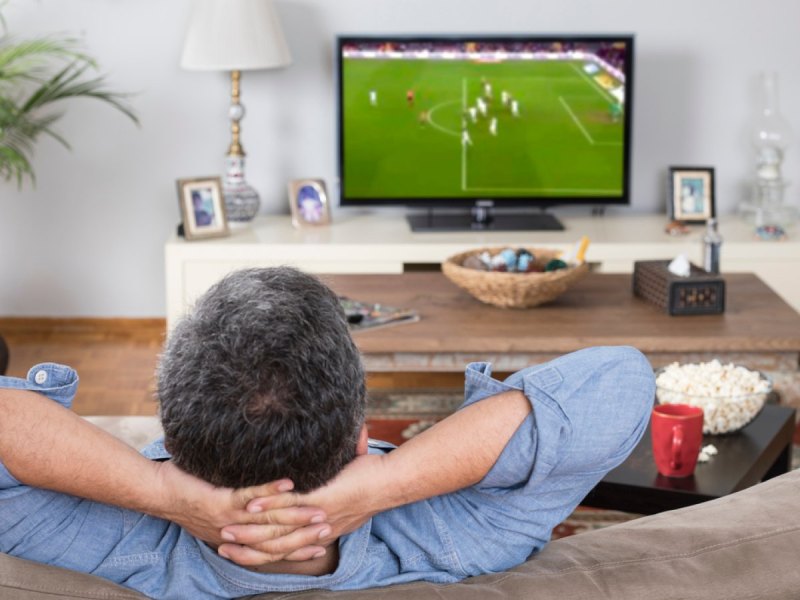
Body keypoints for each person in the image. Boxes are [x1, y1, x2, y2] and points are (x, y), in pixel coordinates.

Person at [0, 267, 655, 598]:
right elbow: (621, 381)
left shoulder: (111, 546)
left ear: (173, 438)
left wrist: (159, 494)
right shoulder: (465, 535)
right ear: (360, 439)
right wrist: (385, 486)